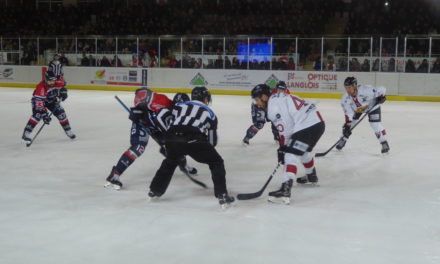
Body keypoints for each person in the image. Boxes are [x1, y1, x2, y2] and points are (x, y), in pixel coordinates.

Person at [148, 87, 234, 208]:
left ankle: (155, 190)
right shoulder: (210, 113)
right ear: (205, 99)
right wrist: (201, 147)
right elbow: (212, 141)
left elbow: (160, 116)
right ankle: (222, 195)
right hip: (194, 139)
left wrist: (169, 134)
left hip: (172, 138)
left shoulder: (179, 105)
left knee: (170, 161)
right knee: (216, 162)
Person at [105, 89, 197, 190]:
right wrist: (138, 109)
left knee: (175, 146)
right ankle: (115, 174)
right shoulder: (163, 101)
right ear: (173, 103)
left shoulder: (182, 116)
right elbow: (143, 93)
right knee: (138, 148)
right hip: (142, 123)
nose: (180, 110)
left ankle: (184, 165)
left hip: (157, 128)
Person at [251, 84, 325, 204]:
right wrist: (284, 147)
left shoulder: (273, 107)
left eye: (257, 99)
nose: (257, 103)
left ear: (264, 97)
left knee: (290, 155)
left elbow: (286, 130)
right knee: (302, 150)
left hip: (307, 125)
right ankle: (311, 175)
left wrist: (283, 148)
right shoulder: (278, 98)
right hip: (318, 123)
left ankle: (286, 188)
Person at [336, 77, 389, 153]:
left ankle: (384, 142)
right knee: (349, 126)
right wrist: (348, 125)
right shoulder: (345, 99)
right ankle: (343, 139)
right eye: (346, 88)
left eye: (349, 87)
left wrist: (382, 97)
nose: (347, 90)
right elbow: (348, 112)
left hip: (372, 106)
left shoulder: (366, 90)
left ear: (354, 86)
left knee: (375, 125)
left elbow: (382, 89)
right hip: (358, 109)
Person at [22, 71, 75, 144]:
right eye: (50, 81)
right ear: (45, 79)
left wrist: (63, 92)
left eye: (53, 81)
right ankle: (26, 133)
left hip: (52, 100)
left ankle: (68, 131)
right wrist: (45, 115)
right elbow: (40, 105)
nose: (52, 83)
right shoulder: (41, 87)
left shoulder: (58, 81)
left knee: (61, 113)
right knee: (38, 115)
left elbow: (63, 87)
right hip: (38, 101)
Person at [242, 81, 290, 145]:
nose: (280, 91)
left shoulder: (287, 95)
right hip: (259, 105)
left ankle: (277, 137)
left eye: (282, 90)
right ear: (276, 89)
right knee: (259, 124)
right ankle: (247, 137)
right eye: (278, 89)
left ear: (285, 90)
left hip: (268, 106)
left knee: (276, 121)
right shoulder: (270, 93)